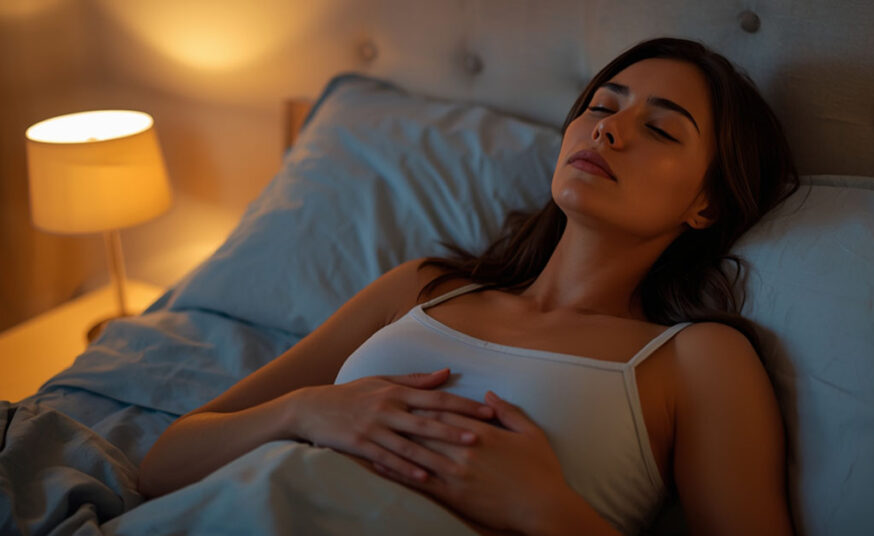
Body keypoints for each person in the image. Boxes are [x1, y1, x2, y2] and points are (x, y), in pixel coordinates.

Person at [138, 37, 800, 535]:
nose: (608, 128)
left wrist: (547, 510)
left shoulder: (695, 358)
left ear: (706, 206)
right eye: (601, 105)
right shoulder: (423, 291)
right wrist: (306, 411)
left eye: (659, 128)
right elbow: (163, 463)